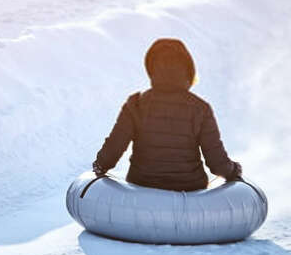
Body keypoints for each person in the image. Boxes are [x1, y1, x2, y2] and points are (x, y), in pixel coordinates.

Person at [92, 38, 242, 191]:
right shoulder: (201, 109)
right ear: (188, 71)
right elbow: (217, 162)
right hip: (189, 192)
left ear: (151, 69)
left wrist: (100, 165)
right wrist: (234, 170)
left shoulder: (136, 104)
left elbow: (114, 147)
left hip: (142, 190)